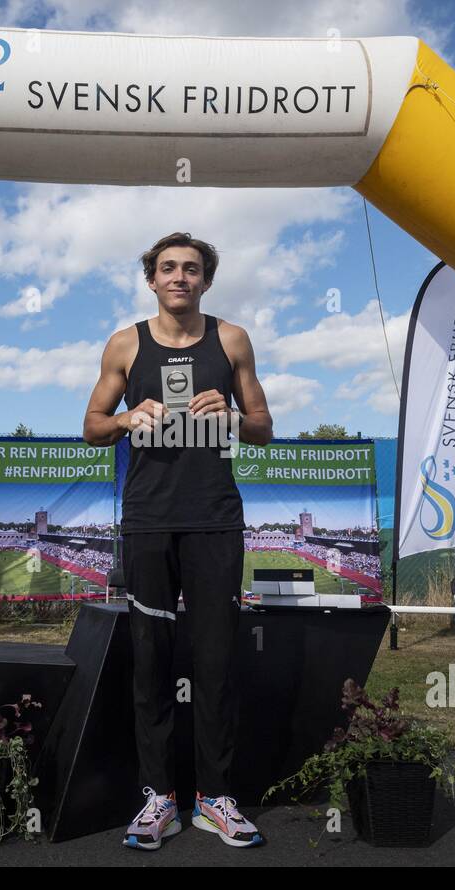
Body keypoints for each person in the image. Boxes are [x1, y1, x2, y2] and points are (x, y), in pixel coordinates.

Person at [83, 231, 273, 850]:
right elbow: (91, 428)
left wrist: (234, 419)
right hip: (148, 520)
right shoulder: (124, 343)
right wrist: (124, 418)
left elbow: (264, 429)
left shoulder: (232, 339)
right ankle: (158, 797)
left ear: (206, 280)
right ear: (153, 279)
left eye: (191, 269)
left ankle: (216, 798)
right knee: (152, 658)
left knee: (217, 658)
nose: (180, 278)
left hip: (215, 518)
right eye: (168, 268)